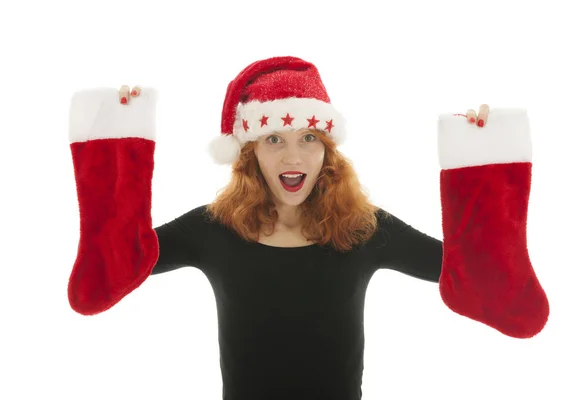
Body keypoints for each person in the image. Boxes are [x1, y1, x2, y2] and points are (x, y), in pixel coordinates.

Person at [67, 56, 548, 400]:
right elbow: (112, 266)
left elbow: (479, 276)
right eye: (274, 138)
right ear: (250, 150)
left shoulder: (364, 229)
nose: (293, 156)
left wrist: (483, 166)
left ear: (327, 151)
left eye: (309, 139)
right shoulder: (213, 229)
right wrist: (115, 145)